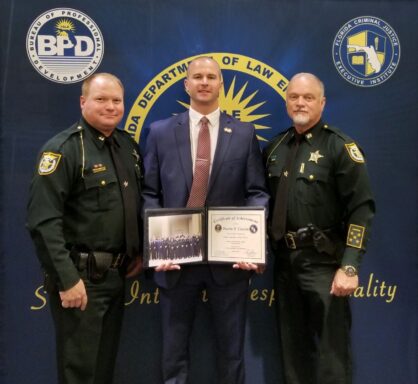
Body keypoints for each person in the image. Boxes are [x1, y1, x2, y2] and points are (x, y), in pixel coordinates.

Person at [143, 56, 269, 384]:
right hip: (174, 261)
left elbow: (256, 193)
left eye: (211, 77)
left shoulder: (243, 132)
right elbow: (149, 194)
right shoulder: (159, 132)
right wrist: (156, 249)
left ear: (220, 84)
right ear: (186, 84)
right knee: (173, 351)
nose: (203, 82)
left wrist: (253, 248)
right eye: (197, 76)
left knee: (231, 352)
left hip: (229, 262)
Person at [26, 73, 143, 384]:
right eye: (101, 99)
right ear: (83, 102)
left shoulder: (126, 147)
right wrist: (67, 279)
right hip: (81, 280)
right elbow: (43, 222)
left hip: (116, 277)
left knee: (103, 368)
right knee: (80, 372)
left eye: (116, 100)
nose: (110, 106)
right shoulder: (63, 150)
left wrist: (139, 250)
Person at [264, 72, 375, 384]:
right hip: (285, 264)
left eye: (308, 97)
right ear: (287, 101)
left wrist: (350, 266)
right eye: (294, 97)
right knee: (292, 354)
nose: (300, 102)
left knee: (331, 356)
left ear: (322, 102)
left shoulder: (340, 147)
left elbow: (362, 208)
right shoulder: (275, 148)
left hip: (325, 264)